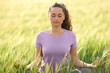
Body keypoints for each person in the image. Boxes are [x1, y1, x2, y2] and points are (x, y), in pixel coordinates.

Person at [25, 2, 106, 73]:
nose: (56, 19)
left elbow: (76, 61)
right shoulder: (40, 36)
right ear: (48, 16)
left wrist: (90, 65)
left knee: (90, 71)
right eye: (53, 15)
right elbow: (37, 61)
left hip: (65, 72)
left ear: (64, 17)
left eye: (59, 16)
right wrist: (23, 67)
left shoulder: (71, 36)